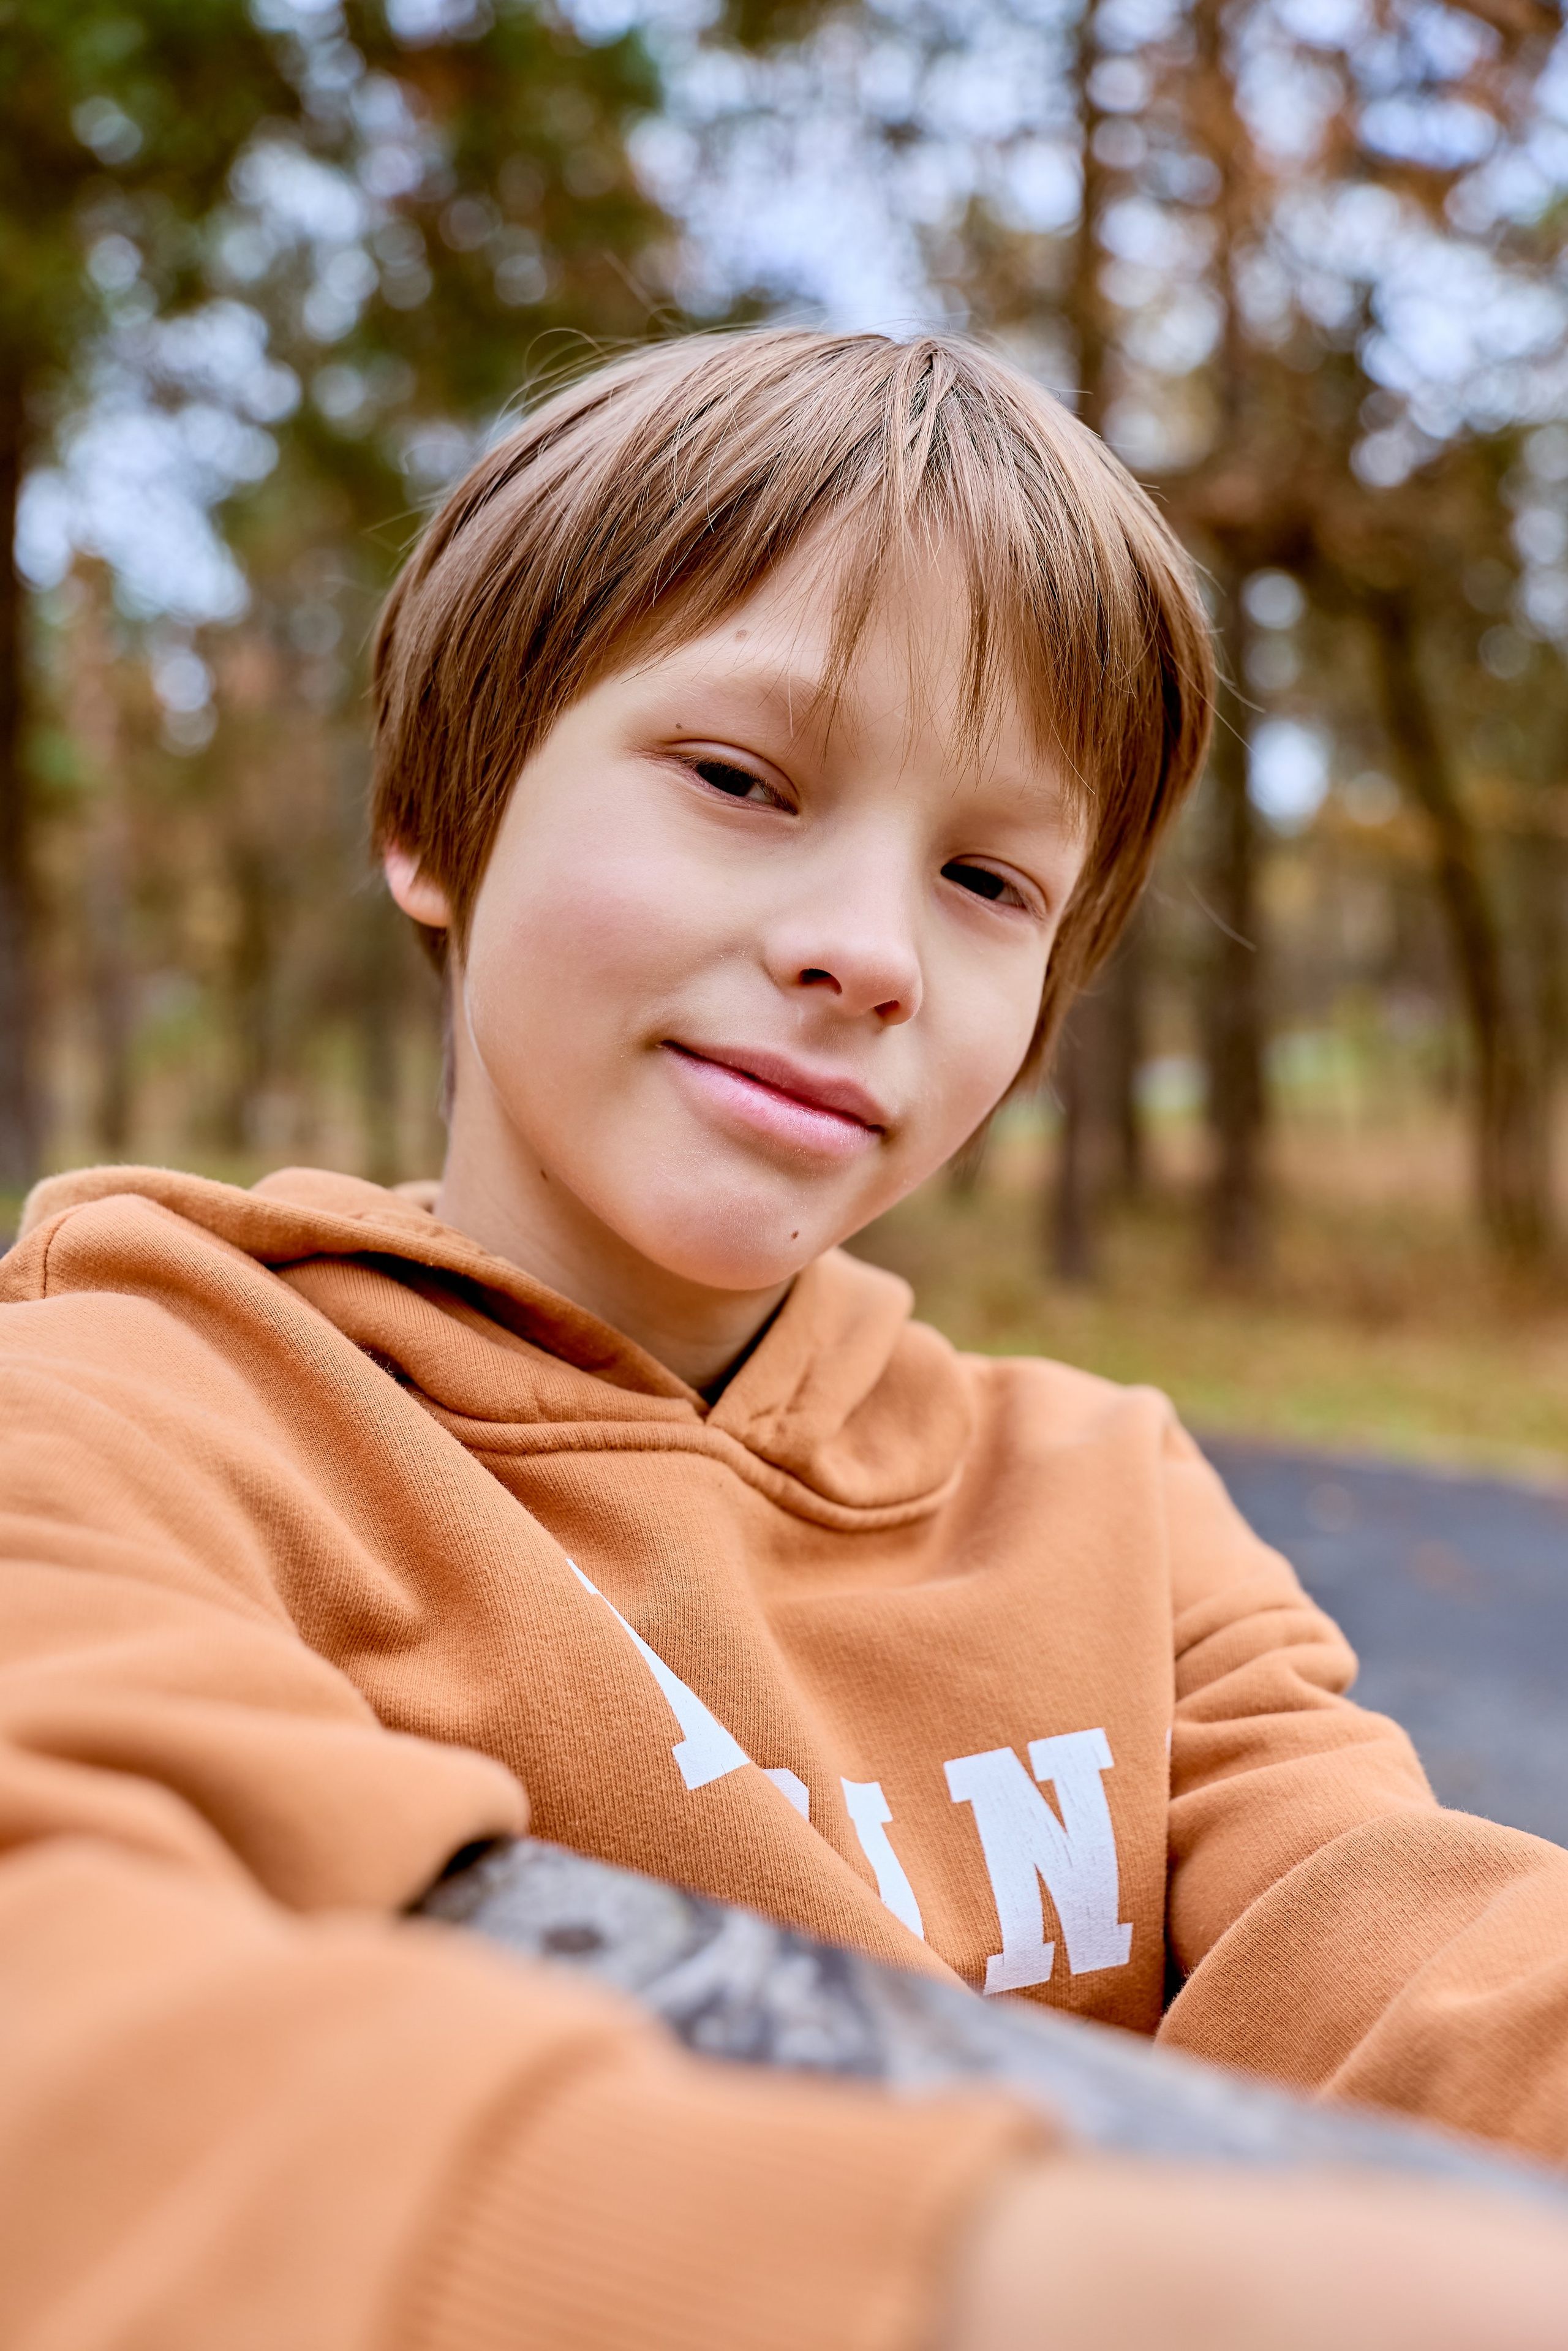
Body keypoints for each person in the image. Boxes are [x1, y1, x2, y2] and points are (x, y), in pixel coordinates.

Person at [4, 328, 1568, 2351]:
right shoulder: (134, 1413)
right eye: (743, 780)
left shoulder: (1106, 1496)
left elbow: (1404, 1945)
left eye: (989, 879)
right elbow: (69, 2015)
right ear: (436, 818)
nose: (869, 949)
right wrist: (1017, 2283)